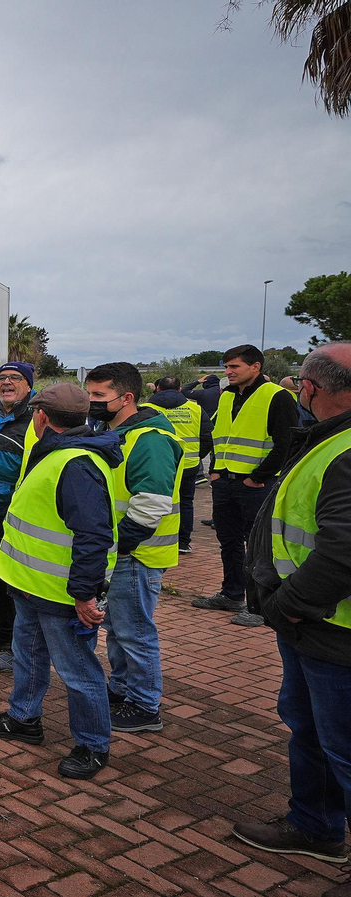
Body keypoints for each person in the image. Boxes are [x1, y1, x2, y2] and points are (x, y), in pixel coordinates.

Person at [229, 342, 351, 864]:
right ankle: (315, 826)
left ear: (310, 388)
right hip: (314, 626)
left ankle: (317, 825)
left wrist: (287, 607)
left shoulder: (344, 451)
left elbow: (343, 551)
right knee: (312, 731)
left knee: (342, 747)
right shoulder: (329, 439)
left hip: (331, 629)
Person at [0, 383, 122, 780]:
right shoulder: (58, 453)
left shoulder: (75, 463)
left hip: (60, 594)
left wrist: (84, 595)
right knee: (29, 655)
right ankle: (23, 718)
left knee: (78, 671)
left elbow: (93, 535)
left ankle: (93, 745)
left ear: (41, 417)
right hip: (31, 586)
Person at [84, 364, 182, 735]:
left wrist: (120, 545)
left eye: (99, 395)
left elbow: (151, 504)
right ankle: (123, 687)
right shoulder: (116, 433)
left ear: (126, 398)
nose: (91, 402)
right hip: (123, 552)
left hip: (137, 554)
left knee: (134, 632)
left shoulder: (150, 440)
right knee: (118, 627)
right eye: (89, 394)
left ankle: (144, 705)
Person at [192, 345, 299, 620]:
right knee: (229, 542)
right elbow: (220, 437)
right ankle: (231, 595)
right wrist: (215, 471)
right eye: (226, 367)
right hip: (225, 482)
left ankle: (260, 607)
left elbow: (286, 444)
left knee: (259, 546)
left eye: (234, 367)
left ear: (255, 367)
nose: (228, 372)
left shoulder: (277, 396)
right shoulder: (227, 396)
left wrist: (258, 477)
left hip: (256, 486)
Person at [0, 362, 36, 673]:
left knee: (14, 582)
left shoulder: (36, 419)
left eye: (15, 378)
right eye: (2, 378)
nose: (7, 382)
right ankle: (1, 632)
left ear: (28, 384)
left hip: (12, 513)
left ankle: (17, 647)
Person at [147, 376, 202, 554]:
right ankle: (183, 542)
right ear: (179, 389)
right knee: (185, 502)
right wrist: (198, 455)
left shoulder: (147, 408)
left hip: (157, 464)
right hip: (188, 464)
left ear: (158, 389)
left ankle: (155, 540)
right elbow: (208, 436)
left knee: (154, 500)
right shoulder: (195, 408)